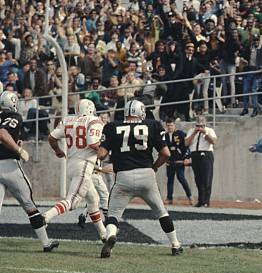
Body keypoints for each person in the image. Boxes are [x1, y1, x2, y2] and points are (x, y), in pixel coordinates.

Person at [98, 99, 182, 258]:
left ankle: (110, 236)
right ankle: (175, 244)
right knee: (161, 211)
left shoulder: (111, 127)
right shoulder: (153, 125)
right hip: (146, 174)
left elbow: (101, 155)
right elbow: (166, 154)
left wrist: (116, 155)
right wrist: (155, 166)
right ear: (141, 112)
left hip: (123, 176)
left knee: (113, 213)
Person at [0, 91, 59, 252]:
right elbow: (3, 133)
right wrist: (18, 149)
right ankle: (46, 243)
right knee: (29, 204)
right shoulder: (14, 116)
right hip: (9, 166)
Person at [43, 99, 107, 242]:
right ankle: (46, 216)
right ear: (91, 109)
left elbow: (51, 137)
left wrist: (58, 151)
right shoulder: (94, 120)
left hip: (71, 163)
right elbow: (92, 143)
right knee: (72, 201)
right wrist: (106, 150)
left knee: (93, 199)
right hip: (84, 165)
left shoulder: (68, 120)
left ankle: (104, 234)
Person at [186, 115, 217, 207]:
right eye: (198, 125)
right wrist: (194, 133)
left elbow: (214, 141)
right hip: (195, 154)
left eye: (202, 126)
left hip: (206, 154)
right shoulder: (191, 131)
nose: (199, 128)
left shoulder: (210, 130)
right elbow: (186, 143)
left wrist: (205, 133)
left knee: (206, 179)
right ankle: (201, 200)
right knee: (198, 179)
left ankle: (206, 201)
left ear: (205, 124)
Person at [164, 119, 193, 205]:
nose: (170, 127)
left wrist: (187, 157)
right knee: (170, 180)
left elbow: (187, 145)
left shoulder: (180, 134)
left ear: (174, 125)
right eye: (168, 125)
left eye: (171, 125)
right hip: (170, 161)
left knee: (181, 178)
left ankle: (190, 196)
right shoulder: (165, 136)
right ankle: (169, 198)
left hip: (179, 161)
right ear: (166, 126)